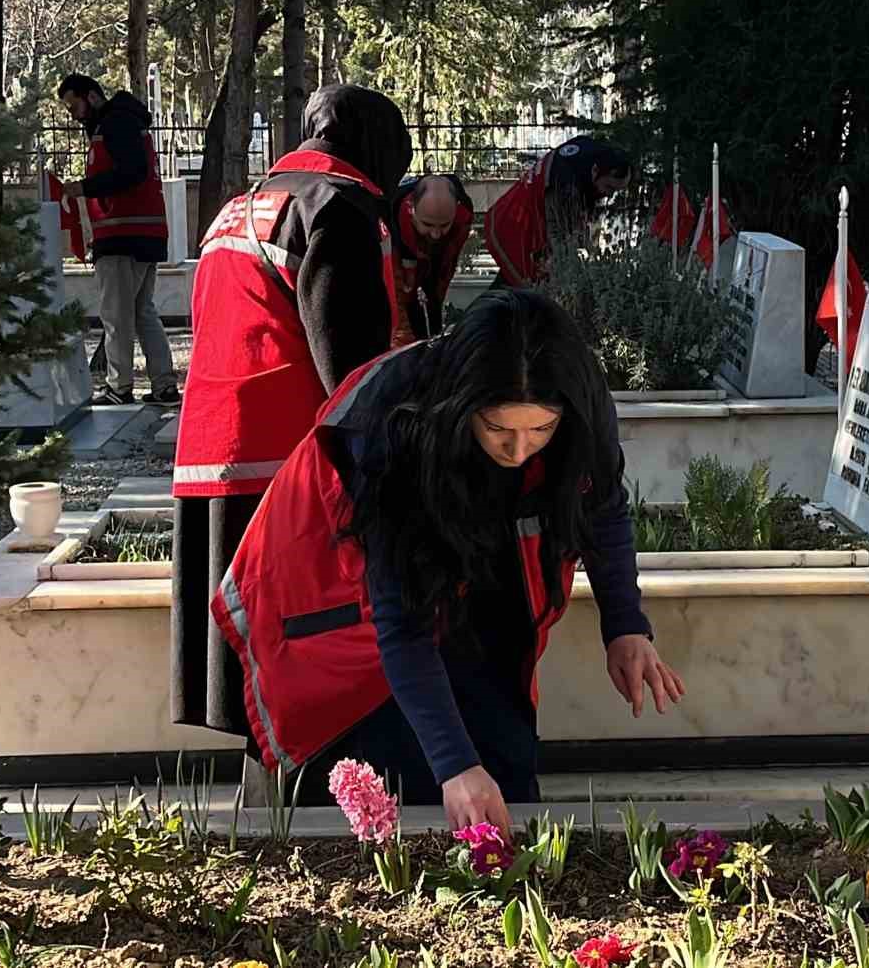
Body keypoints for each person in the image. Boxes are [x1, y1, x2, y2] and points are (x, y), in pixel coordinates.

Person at [212, 290, 686, 832]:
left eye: (541, 430)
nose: (518, 451)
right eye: (498, 429)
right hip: (335, 601)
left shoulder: (579, 396)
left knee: (503, 755)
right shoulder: (392, 426)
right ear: (463, 407)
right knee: (401, 784)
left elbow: (600, 504)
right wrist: (455, 765)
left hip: (471, 571)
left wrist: (625, 625)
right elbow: (401, 622)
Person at [170, 84, 412, 742]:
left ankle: (269, 806)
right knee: (305, 653)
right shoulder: (338, 206)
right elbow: (351, 365)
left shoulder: (240, 206)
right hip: (293, 459)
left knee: (252, 661)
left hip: (214, 451)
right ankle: (313, 807)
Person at [56, 74, 180, 406]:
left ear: (92, 97)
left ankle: (119, 386)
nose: (73, 114)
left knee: (116, 315)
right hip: (144, 233)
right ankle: (164, 385)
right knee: (142, 312)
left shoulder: (115, 125)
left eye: (74, 105)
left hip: (122, 236)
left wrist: (84, 187)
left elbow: (131, 172)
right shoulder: (126, 123)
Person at [484, 136, 632, 288]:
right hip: (514, 224)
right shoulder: (566, 187)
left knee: (519, 283)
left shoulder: (594, 155)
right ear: (595, 171)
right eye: (609, 187)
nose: (610, 195)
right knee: (523, 285)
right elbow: (558, 237)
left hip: (525, 219)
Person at [389, 173, 475, 340]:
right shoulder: (390, 221)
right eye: (427, 224)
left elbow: (446, 270)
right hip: (397, 278)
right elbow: (395, 295)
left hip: (431, 272)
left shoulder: (463, 215)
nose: (436, 234)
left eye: (444, 225)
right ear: (410, 207)